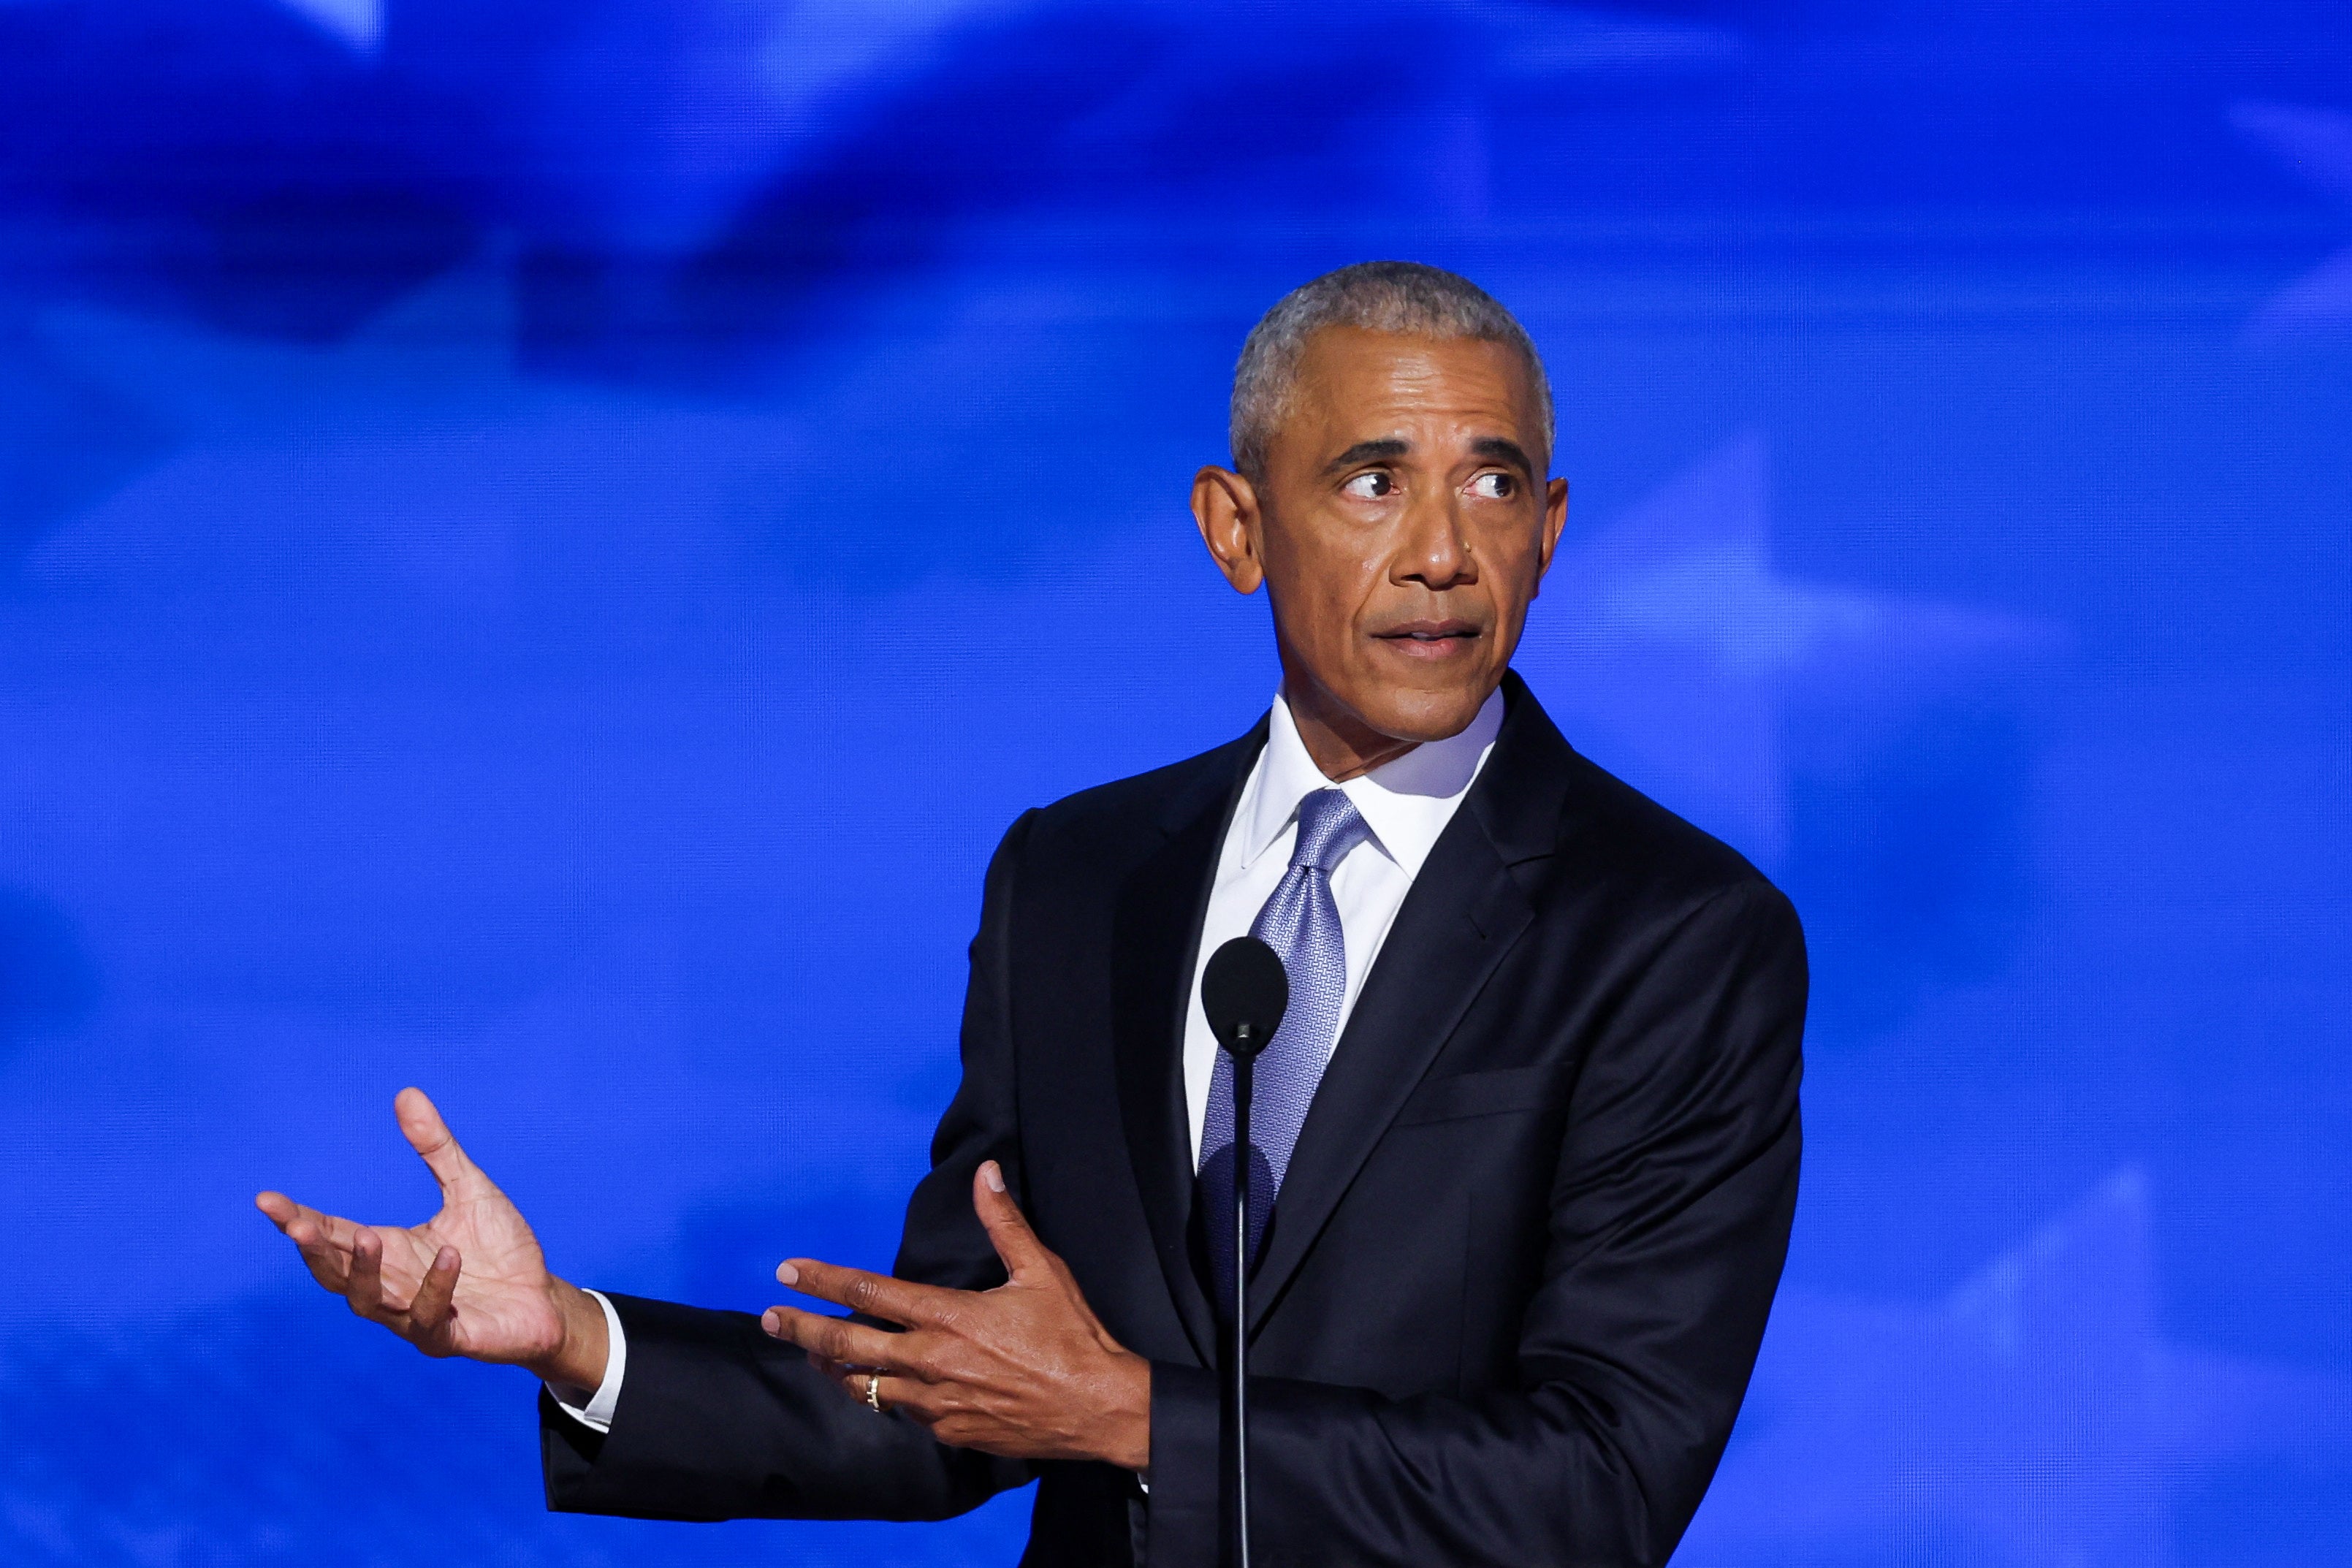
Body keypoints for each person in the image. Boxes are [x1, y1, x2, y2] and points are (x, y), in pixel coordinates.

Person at [256, 261, 1805, 1567]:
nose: (1442, 550)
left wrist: (1130, 1414)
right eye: (1371, 479)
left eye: (1492, 480)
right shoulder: (1077, 874)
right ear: (1234, 526)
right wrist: (571, 1337)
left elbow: (1599, 1479)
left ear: (1547, 528)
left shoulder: (1672, 930)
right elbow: (957, 1381)